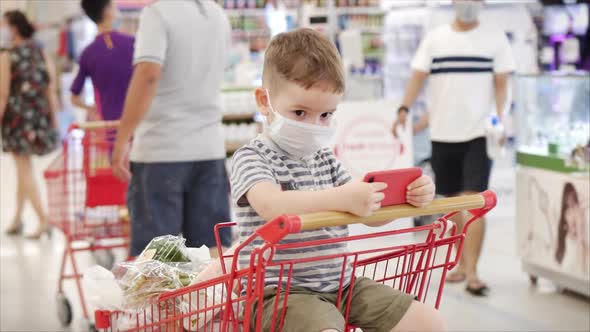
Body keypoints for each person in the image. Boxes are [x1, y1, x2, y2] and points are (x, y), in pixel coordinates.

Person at [231, 28, 442, 332]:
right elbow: (271, 206)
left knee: (427, 321)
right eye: (300, 112)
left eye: (326, 115)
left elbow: (368, 214)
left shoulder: (324, 158)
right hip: (279, 293)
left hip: (341, 285)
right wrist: (342, 197)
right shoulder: (252, 157)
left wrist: (409, 195)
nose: (314, 126)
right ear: (265, 102)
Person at [393, 0, 515, 296]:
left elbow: (502, 85)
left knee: (473, 203)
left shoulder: (494, 38)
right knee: (452, 205)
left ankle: (473, 272)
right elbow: (417, 79)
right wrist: (403, 109)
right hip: (442, 134)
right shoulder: (435, 39)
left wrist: (501, 119)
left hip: (478, 134)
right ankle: (461, 265)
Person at [112, 0, 232, 258]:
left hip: (161, 151)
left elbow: (148, 74)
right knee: (210, 254)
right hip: (210, 149)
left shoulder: (158, 14)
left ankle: (160, 301)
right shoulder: (217, 14)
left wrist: (122, 139)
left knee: (155, 258)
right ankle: (213, 300)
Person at [0, 10, 59, 239]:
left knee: (24, 170)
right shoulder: (40, 51)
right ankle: (17, 218)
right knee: (24, 169)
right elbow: (50, 86)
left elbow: (3, 93)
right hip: (39, 116)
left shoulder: (8, 56)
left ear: (13, 27)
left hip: (16, 119)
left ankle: (43, 220)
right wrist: (53, 118)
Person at [70, 0, 134, 121]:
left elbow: (74, 98)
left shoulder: (88, 53)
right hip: (136, 122)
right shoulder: (133, 43)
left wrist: (92, 108)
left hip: (106, 125)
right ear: (107, 11)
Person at [555, 182, 589, 276]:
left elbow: (579, 231)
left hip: (577, 243)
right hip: (571, 242)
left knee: (578, 264)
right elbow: (573, 229)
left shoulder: (577, 211)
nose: (569, 200)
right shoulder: (568, 212)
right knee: (570, 264)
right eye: (567, 198)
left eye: (571, 197)